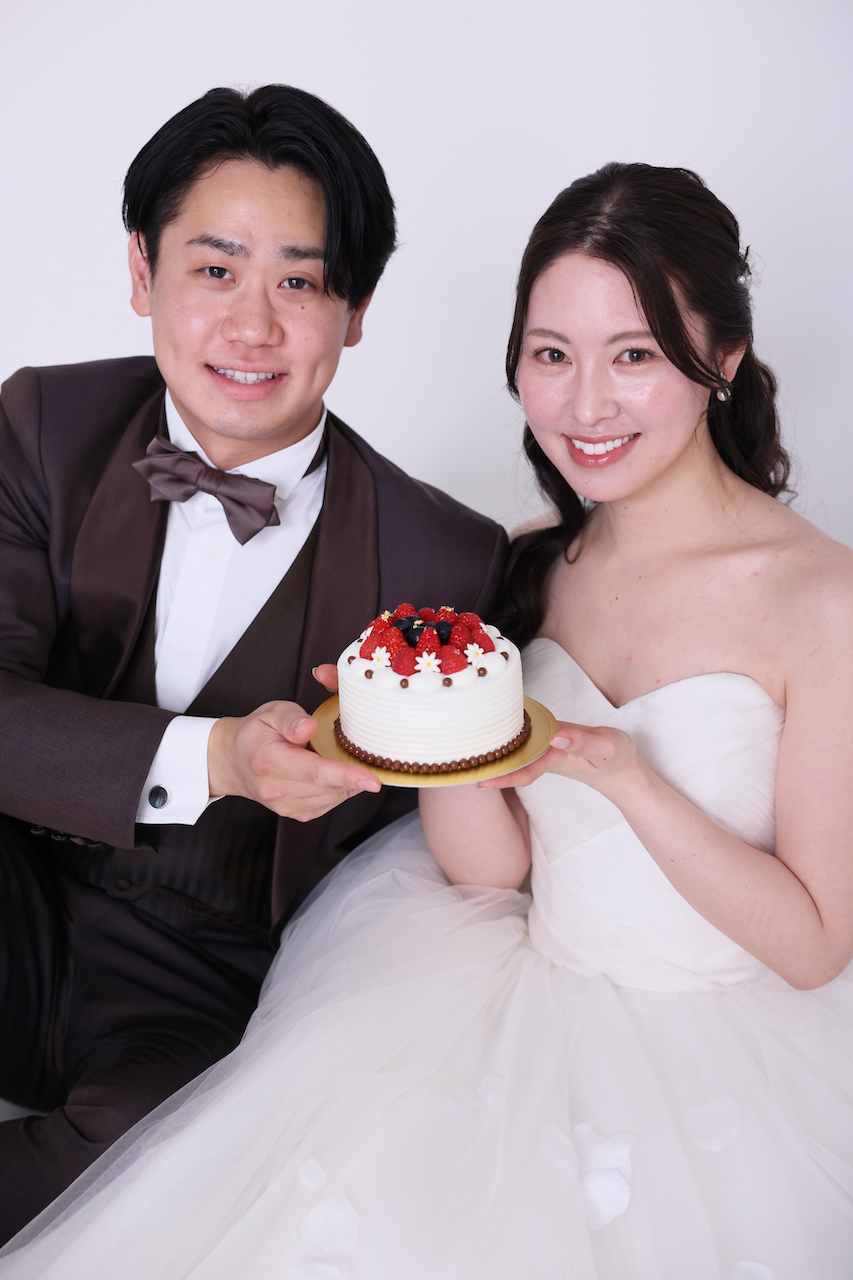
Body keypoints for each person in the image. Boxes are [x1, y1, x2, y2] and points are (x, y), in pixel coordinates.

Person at [2, 162, 852, 1279]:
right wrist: (422, 724)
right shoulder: (531, 564)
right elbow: (493, 873)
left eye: (635, 354)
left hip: (714, 1038)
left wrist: (625, 777)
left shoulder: (823, 599)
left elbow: (814, 944)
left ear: (723, 359)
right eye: (551, 355)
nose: (586, 405)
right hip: (490, 971)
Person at [0, 84, 508, 1241]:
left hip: (201, 974)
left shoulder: (447, 557)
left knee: (157, 1172)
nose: (252, 326)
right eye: (216, 268)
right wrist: (219, 756)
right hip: (14, 889)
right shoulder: (42, 425)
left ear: (356, 309)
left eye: (298, 282)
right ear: (143, 272)